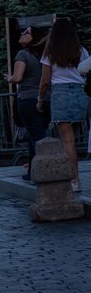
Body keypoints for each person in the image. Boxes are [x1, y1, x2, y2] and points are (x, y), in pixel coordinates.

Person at [39, 17, 89, 193]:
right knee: (74, 140)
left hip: (60, 94)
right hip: (80, 93)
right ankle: (73, 177)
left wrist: (40, 99)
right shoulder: (81, 50)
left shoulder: (49, 52)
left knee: (67, 141)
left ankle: (74, 180)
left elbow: (45, 81)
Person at [6, 27, 47, 179]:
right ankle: (32, 171)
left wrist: (8, 78)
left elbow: (17, 78)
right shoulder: (45, 55)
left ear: (34, 37)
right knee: (34, 135)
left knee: (37, 137)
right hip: (46, 99)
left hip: (28, 99)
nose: (22, 33)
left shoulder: (23, 54)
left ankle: (45, 170)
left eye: (27, 32)